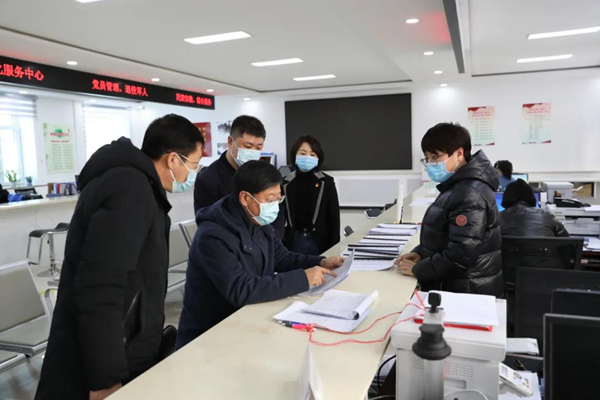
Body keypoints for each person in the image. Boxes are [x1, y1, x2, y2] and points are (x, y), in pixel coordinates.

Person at [35, 114, 204, 400]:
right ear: (173, 159)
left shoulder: (137, 185)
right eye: (195, 164)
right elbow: (100, 285)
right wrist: (106, 378)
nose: (194, 173)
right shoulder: (130, 189)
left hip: (122, 344)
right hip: (101, 360)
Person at [176, 161, 345, 349]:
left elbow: (281, 258)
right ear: (244, 198)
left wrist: (321, 262)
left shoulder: (257, 220)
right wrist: (302, 278)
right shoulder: (213, 236)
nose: (274, 206)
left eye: (278, 199)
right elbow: (240, 289)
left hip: (247, 321)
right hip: (209, 336)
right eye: (269, 199)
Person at [396, 122, 503, 296]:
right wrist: (421, 253)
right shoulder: (458, 185)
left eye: (435, 157)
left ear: (459, 153)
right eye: (427, 158)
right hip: (458, 283)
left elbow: (461, 254)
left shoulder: (469, 193)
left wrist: (419, 269)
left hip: (467, 290)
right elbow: (446, 236)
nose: (430, 164)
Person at [193, 115, 265, 214]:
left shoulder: (263, 173)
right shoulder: (207, 179)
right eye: (248, 146)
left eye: (258, 148)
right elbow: (205, 220)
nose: (253, 152)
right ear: (230, 141)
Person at [281, 135, 340, 255]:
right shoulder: (286, 182)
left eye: (312, 155)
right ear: (295, 155)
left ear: (318, 158)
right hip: (294, 240)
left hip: (319, 240)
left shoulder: (326, 182)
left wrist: (334, 248)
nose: (307, 157)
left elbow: (333, 217)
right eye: (303, 153)